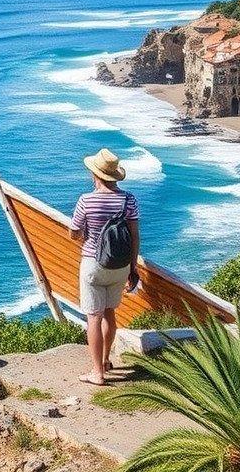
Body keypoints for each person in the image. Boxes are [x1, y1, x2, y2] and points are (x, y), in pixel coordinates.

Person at [68, 148, 140, 386]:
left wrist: (88, 232)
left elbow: (74, 233)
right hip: (120, 265)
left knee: (94, 318)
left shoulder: (86, 200)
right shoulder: (128, 199)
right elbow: (134, 236)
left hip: (93, 263)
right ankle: (106, 360)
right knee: (110, 313)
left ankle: (97, 372)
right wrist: (133, 268)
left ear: (95, 175)